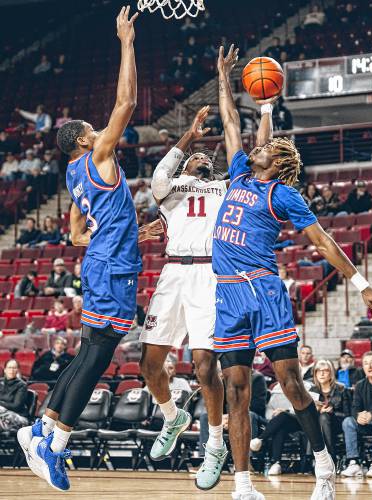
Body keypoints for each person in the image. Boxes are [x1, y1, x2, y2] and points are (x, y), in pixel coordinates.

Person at [214, 43, 372, 500]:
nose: (259, 149)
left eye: (268, 150)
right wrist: (225, 78)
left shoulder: (282, 195)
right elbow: (234, 124)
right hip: (226, 294)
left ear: (278, 165)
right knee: (234, 391)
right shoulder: (239, 174)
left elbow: (323, 241)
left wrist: (362, 284)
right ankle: (242, 485)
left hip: (263, 292)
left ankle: (324, 464)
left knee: (292, 383)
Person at [17, 9, 163, 493]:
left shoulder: (73, 175)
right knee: (99, 357)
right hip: (112, 267)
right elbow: (127, 99)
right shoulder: (99, 156)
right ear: (84, 138)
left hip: (99, 259)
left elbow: (80, 233)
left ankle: (41, 427)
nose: (99, 129)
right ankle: (53, 446)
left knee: (87, 352)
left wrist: (130, 234)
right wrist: (127, 40)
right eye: (91, 128)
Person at [139, 106, 229, 491]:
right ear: (184, 164)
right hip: (173, 273)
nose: (202, 158)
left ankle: (215, 444)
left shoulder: (223, 187)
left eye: (207, 157)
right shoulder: (169, 189)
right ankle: (172, 417)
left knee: (206, 367)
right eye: (196, 156)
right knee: (149, 365)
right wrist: (190, 136)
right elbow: (160, 174)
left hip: (208, 274)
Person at [310, 360, 352, 461]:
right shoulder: (312, 390)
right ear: (315, 374)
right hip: (320, 425)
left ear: (331, 373)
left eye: (325, 370)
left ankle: (329, 457)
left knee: (324, 417)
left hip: (337, 423)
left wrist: (332, 412)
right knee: (319, 419)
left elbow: (348, 415)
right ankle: (321, 458)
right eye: (318, 371)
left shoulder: (341, 389)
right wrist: (318, 411)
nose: (322, 373)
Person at [0, 360, 29, 432]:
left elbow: (16, 406)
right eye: (9, 367)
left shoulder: (22, 385)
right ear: (5, 370)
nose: (12, 370)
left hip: (19, 416)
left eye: (14, 368)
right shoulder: (0, 382)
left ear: (17, 370)